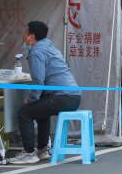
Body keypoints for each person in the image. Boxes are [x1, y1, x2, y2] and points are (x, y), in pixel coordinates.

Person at [8, 21, 81, 163]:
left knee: (25, 113)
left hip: (62, 96)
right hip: (73, 96)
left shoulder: (36, 52)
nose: (23, 36)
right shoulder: (50, 47)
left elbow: (38, 81)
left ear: (31, 37)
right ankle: (42, 150)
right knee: (42, 111)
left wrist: (30, 99)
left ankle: (29, 153)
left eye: (25, 33)